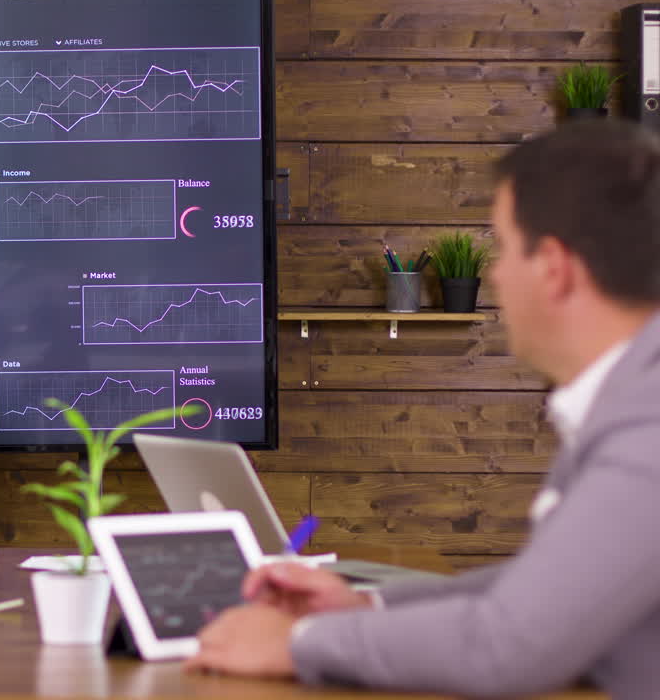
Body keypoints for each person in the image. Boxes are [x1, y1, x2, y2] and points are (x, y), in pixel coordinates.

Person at [186, 120, 660, 697]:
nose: (495, 275)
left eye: (504, 248)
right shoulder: (630, 403)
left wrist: (296, 643)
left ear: (554, 270)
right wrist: (365, 606)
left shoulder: (647, 431)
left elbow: (507, 645)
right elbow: (543, 592)